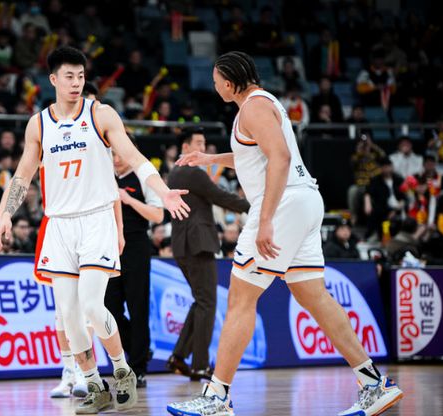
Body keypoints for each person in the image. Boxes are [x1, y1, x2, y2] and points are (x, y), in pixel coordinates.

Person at [167, 51, 403, 416]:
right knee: (313, 295)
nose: (214, 88)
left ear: (228, 83)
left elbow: (280, 157)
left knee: (240, 299)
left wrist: (265, 220)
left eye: (215, 83)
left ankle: (217, 397)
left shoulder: (252, 108)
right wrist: (212, 160)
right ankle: (373, 382)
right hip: (303, 201)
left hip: (283, 204)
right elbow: (257, 155)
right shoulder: (261, 104)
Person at [0, 46, 189, 414]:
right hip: (59, 224)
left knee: (94, 306)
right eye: (69, 76)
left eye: (80, 76)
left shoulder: (101, 114)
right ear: (53, 79)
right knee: (69, 314)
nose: (76, 82)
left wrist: (163, 191)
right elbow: (22, 175)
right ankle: (94, 384)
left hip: (96, 220)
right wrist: (4, 214)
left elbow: (135, 158)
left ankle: (123, 370)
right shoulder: (39, 124)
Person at [166, 128, 250, 382]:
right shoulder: (192, 172)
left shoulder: (176, 173)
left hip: (184, 245)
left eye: (204, 143)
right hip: (197, 244)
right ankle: (200, 365)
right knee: (207, 303)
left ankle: (179, 356)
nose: (202, 148)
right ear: (185, 147)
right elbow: (219, 196)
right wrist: (253, 206)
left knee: (200, 301)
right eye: (198, 143)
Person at [105, 137, 165, 388]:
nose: (117, 159)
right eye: (113, 154)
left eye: (120, 153)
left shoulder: (143, 176)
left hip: (136, 246)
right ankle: (136, 348)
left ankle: (138, 368)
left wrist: (128, 200)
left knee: (138, 307)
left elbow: (158, 215)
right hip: (108, 247)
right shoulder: (103, 176)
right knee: (108, 309)